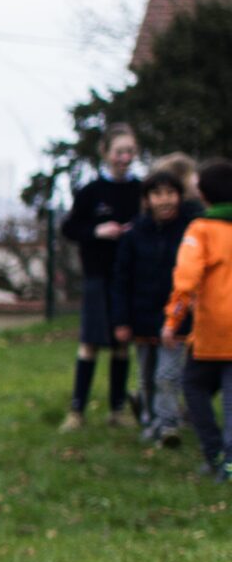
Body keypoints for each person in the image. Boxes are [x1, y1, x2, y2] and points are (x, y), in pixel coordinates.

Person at [59, 124, 144, 430]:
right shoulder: (91, 193)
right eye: (120, 152)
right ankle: (77, 410)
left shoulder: (141, 191)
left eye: (130, 152)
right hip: (98, 276)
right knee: (90, 343)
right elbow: (69, 228)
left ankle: (117, 410)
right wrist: (96, 231)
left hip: (130, 278)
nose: (125, 158)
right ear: (106, 153)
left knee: (122, 343)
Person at [111, 156, 195, 448]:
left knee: (167, 375)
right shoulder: (134, 235)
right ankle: (150, 420)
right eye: (157, 194)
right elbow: (121, 280)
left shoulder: (191, 231)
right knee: (146, 377)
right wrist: (121, 320)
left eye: (170, 193)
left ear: (180, 196)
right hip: (141, 317)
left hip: (177, 318)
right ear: (147, 199)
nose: (165, 200)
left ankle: (168, 425)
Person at [167, 159, 232, 481]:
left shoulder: (201, 230)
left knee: (193, 387)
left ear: (204, 196)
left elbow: (187, 279)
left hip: (213, 331)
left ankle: (215, 453)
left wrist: (171, 320)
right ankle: (230, 466)